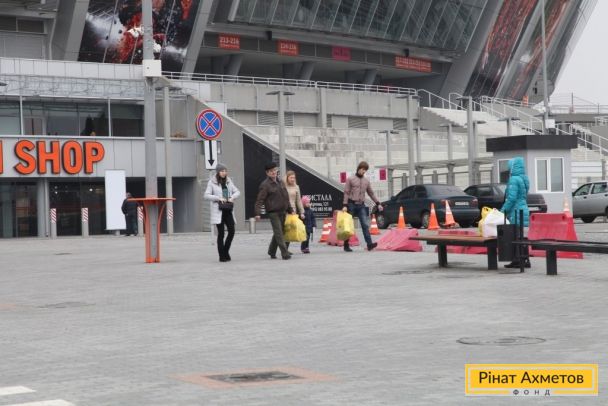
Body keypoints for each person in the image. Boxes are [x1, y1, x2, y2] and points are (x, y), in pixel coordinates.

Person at [342, 161, 383, 252]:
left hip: (361, 205)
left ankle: (369, 244)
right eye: (363, 169)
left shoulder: (366, 181)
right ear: (359, 168)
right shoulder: (350, 179)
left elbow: (371, 193)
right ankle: (346, 245)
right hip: (351, 204)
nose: (364, 171)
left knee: (365, 224)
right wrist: (344, 205)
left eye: (365, 170)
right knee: (348, 225)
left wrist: (378, 203)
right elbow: (346, 192)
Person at [255, 162, 293, 260]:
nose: (273, 172)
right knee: (279, 233)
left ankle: (271, 251)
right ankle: (285, 253)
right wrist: (257, 213)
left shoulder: (281, 182)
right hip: (273, 212)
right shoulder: (265, 185)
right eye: (271, 171)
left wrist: (290, 209)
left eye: (275, 170)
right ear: (267, 173)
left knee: (280, 232)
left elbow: (286, 197)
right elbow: (259, 200)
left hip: (283, 211)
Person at [204, 164, 240, 262]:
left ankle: (226, 251)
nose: (224, 173)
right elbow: (206, 195)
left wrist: (232, 197)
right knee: (221, 234)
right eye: (222, 171)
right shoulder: (212, 182)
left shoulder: (228, 181)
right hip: (218, 211)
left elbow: (237, 191)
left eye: (225, 171)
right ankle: (222, 256)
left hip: (228, 210)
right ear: (218, 172)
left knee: (232, 231)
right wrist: (218, 198)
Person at [501, 156, 531, 268]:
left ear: (513, 167)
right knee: (521, 236)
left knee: (515, 237)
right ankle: (525, 260)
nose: (509, 169)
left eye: (510, 167)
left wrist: (502, 211)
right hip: (523, 209)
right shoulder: (524, 178)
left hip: (516, 211)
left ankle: (518, 260)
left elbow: (511, 198)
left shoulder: (514, 179)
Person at [284, 170, 305, 253]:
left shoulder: (296, 187)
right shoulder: (283, 186)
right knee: (283, 230)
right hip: (284, 211)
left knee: (289, 230)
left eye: (294, 178)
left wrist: (302, 212)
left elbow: (298, 200)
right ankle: (281, 249)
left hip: (293, 211)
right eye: (291, 177)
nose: (292, 179)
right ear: (287, 178)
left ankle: (285, 249)